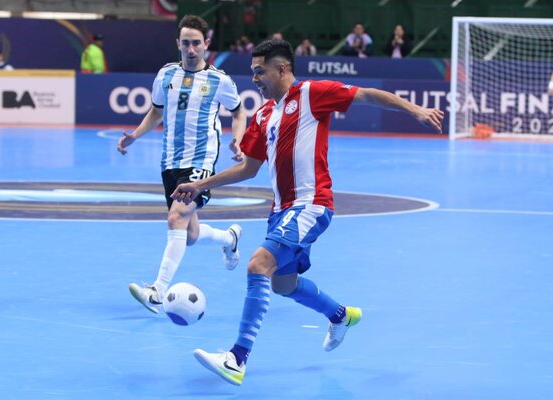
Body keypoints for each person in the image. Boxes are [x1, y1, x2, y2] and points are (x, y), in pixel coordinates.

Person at [171, 39, 444, 386]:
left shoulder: (312, 94)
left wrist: (415, 110)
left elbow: (368, 95)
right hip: (281, 211)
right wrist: (200, 185)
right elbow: (248, 169)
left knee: (258, 264)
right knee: (283, 284)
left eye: (260, 71)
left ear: (281, 69)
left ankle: (236, 359)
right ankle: (340, 316)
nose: (254, 78)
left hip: (311, 204)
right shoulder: (263, 115)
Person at [117, 15, 247, 314]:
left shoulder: (219, 80)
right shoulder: (165, 75)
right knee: (188, 235)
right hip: (169, 162)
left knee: (176, 218)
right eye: (185, 43)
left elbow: (238, 112)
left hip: (200, 160)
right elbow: (156, 111)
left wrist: (237, 141)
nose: (191, 49)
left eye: (196, 43)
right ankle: (229, 238)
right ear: (178, 44)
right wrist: (135, 136)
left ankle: (157, 292)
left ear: (206, 44)